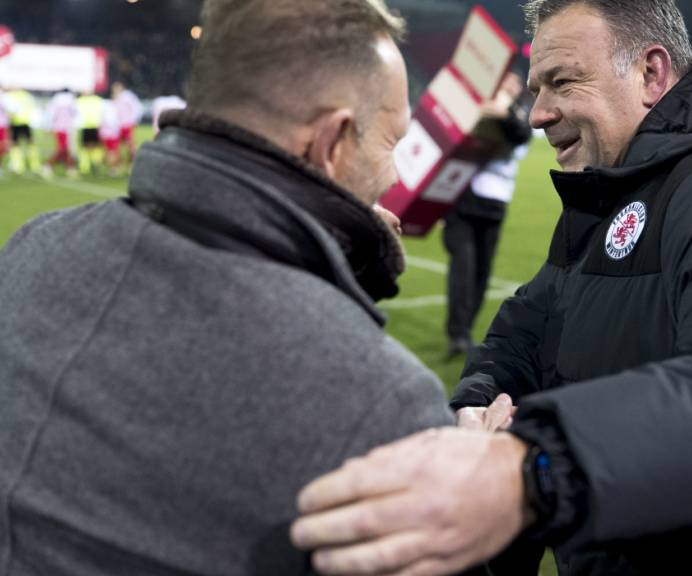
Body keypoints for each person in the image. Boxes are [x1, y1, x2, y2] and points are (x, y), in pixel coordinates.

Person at [290, 1, 692, 575]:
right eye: (536, 89)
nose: (537, 114)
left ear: (651, 73)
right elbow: (530, 328)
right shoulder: (618, 190)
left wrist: (534, 470)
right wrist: (477, 410)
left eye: (563, 82)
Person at [0, 1, 454, 574]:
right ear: (332, 142)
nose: (396, 174)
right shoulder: (385, 401)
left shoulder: (31, 249)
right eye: (392, 141)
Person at [444, 71, 532, 357]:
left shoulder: (516, 116)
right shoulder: (478, 105)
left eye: (515, 81)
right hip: (464, 198)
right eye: (506, 79)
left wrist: (503, 109)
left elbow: (520, 134)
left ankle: (465, 329)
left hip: (495, 203)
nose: (511, 84)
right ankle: (458, 333)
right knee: (464, 267)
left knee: (482, 270)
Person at [42, 88, 79, 178]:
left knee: (65, 150)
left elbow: (50, 114)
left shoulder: (56, 100)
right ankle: (48, 165)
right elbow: (75, 113)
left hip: (61, 128)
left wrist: (48, 127)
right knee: (63, 149)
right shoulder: (69, 100)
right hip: (63, 128)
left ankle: (69, 167)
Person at [5, 87, 41, 175]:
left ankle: (18, 166)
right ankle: (35, 165)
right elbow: (33, 108)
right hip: (26, 122)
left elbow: (11, 110)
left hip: (16, 122)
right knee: (30, 143)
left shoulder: (11, 96)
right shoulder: (27, 95)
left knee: (15, 144)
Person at [111, 81, 143, 162]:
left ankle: (134, 160)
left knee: (130, 144)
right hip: (118, 125)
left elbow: (136, 108)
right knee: (119, 145)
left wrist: (135, 120)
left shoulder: (128, 96)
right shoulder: (115, 98)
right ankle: (122, 162)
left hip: (128, 124)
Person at [76, 90, 105, 175]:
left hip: (88, 126)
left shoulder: (80, 100)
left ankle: (87, 165)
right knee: (94, 146)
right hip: (93, 126)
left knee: (87, 147)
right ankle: (93, 163)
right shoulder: (97, 100)